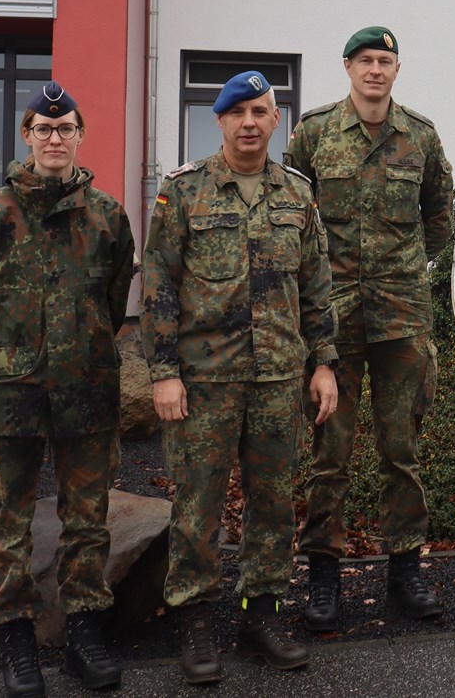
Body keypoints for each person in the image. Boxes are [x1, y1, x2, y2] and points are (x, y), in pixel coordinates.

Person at [142, 71, 339, 683]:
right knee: (198, 506)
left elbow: (317, 286)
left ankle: (261, 613)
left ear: (276, 120)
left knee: (273, 504)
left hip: (280, 376)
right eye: (237, 113)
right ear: (219, 122)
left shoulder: (298, 195)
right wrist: (164, 373)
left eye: (260, 111)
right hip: (204, 380)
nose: (249, 122)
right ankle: (196, 620)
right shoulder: (184, 193)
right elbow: (158, 287)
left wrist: (324, 362)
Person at [0, 82, 135, 696]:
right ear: (28, 136)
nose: (55, 139)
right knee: (8, 520)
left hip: (87, 387)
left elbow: (114, 301)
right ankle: (15, 639)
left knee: (88, 519)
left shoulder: (108, 214)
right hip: (9, 394)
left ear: (81, 135)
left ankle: (84, 631)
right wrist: (10, 356)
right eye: (43, 129)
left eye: (66, 129)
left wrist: (77, 351)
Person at [284, 26, 453, 629]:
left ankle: (405, 575)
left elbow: (440, 216)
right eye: (365, 60)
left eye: (384, 60)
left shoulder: (421, 137)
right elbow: (294, 218)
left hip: (401, 317)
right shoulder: (313, 134)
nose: (374, 70)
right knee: (330, 452)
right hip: (332, 318)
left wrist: (404, 269)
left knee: (400, 451)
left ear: (397, 69)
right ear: (348, 67)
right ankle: (324, 580)